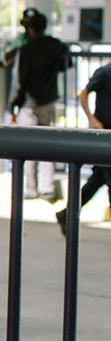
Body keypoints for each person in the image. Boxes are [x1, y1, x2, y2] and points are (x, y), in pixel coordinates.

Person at [4, 8, 70, 201]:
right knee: (47, 144)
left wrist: (12, 107)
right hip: (48, 100)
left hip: (28, 104)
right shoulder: (55, 45)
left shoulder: (27, 50)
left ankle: (30, 188)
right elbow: (68, 62)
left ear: (30, 29)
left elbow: (19, 82)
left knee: (28, 146)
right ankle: (47, 187)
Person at [56, 62, 111, 236]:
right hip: (103, 134)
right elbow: (83, 94)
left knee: (98, 180)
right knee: (108, 179)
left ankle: (66, 213)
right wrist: (91, 118)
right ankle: (67, 213)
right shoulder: (105, 72)